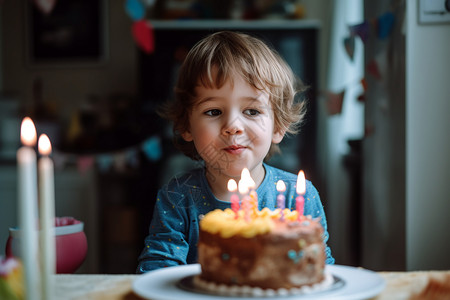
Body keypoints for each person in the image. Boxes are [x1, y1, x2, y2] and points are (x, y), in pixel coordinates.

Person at [137, 31, 334, 273]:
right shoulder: (178, 197)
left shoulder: (298, 197)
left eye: (251, 111)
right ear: (186, 126)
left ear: (279, 126)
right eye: (213, 111)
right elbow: (157, 272)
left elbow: (321, 271)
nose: (232, 126)